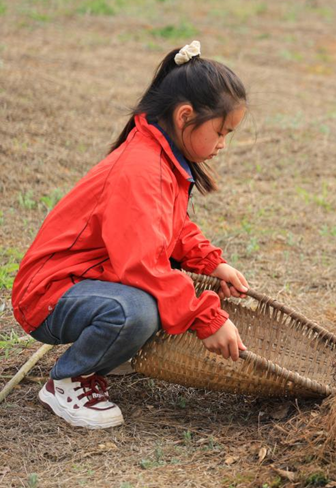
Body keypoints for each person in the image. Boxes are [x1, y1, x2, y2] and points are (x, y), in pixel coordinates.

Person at [11, 41, 250, 429]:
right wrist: (206, 318)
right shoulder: (140, 169)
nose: (223, 144)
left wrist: (211, 262)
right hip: (48, 294)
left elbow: (172, 225)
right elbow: (141, 266)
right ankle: (68, 382)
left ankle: (110, 349)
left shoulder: (162, 156)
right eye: (221, 132)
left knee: (155, 298)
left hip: (88, 280)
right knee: (136, 311)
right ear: (185, 116)